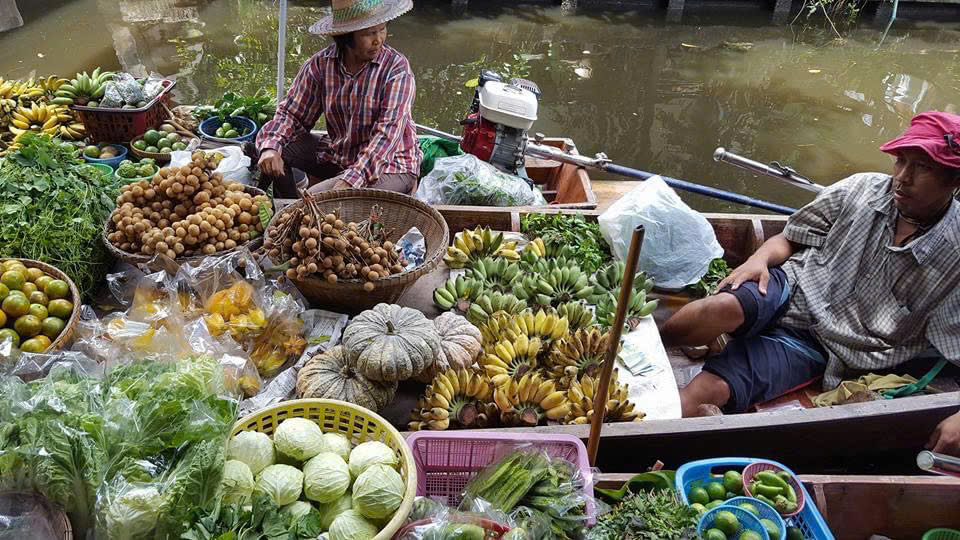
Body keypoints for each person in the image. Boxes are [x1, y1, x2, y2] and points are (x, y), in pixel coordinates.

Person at [660, 111, 960, 418]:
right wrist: (758, 258)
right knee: (716, 309)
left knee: (706, 393)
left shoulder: (955, 250)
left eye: (922, 167)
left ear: (954, 180)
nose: (903, 177)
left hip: (824, 349)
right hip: (792, 287)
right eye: (900, 161)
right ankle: (648, 343)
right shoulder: (861, 189)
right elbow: (789, 238)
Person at [250, 0, 422, 199]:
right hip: (341, 155)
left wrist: (350, 181)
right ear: (345, 37)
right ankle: (287, 204)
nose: (378, 40)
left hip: (391, 163)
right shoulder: (320, 65)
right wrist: (271, 147)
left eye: (382, 30)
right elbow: (291, 115)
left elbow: (386, 137)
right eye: (368, 34)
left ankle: (301, 211)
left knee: (313, 200)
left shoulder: (396, 69)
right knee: (274, 145)